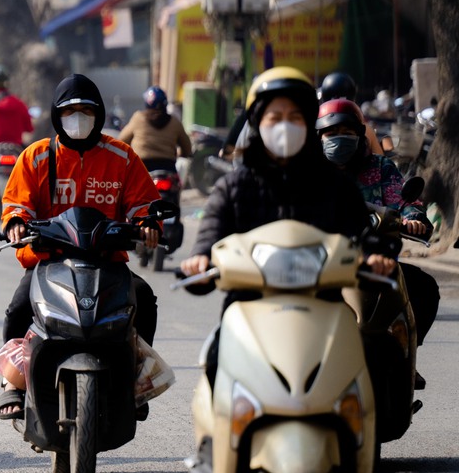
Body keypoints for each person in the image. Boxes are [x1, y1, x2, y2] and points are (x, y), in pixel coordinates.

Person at [177, 69, 389, 383]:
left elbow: (365, 235)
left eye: (295, 117)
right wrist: (199, 260)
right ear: (258, 124)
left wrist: (375, 257)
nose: (285, 126)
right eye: (275, 118)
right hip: (248, 311)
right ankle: (218, 434)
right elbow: (208, 237)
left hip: (325, 308)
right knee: (214, 358)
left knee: (372, 361)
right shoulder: (233, 188)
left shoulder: (336, 186)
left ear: (308, 124)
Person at [0, 74, 162, 420]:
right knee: (17, 309)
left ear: (99, 114)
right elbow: (16, 204)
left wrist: (148, 224)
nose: (79, 118)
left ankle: (136, 378)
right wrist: (15, 222)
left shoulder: (122, 157)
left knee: (143, 299)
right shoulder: (36, 157)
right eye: (71, 111)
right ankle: (14, 381)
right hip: (50, 259)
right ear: (58, 115)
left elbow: (145, 204)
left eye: (87, 110)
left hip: (106, 260)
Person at [316, 97, 440, 344]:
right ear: (319, 136)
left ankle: (406, 359)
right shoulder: (309, 173)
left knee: (424, 289)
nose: (339, 138)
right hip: (320, 265)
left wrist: (413, 219)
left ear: (360, 134)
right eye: (332, 133)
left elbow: (404, 201)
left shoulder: (381, 168)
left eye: (346, 132)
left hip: (376, 263)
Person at [117, 86, 191, 176]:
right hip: (168, 169)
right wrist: (180, 154)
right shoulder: (175, 122)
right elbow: (187, 148)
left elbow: (121, 141)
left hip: (141, 169)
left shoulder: (138, 118)